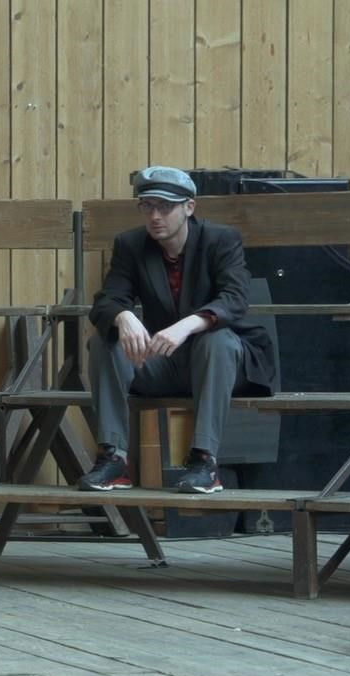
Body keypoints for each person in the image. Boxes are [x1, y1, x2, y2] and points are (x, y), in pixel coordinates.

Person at [79, 166, 277, 494]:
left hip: (223, 362)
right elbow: (107, 300)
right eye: (147, 206)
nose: (155, 216)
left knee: (215, 340)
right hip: (166, 362)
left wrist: (187, 325)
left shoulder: (220, 239)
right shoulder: (131, 244)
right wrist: (123, 316)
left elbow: (235, 299)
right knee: (103, 342)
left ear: (189, 207)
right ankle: (113, 459)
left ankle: (204, 462)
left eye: (165, 207)